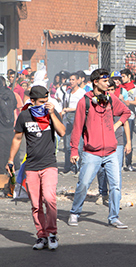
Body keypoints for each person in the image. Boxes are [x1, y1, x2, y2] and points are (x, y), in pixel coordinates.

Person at [68, 69, 131, 229]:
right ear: (95, 82)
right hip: (91, 153)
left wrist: (117, 125)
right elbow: (77, 129)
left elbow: (126, 112)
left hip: (111, 152)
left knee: (115, 186)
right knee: (83, 184)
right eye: (104, 80)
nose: (108, 83)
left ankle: (114, 217)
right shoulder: (84, 102)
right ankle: (75, 212)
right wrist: (74, 150)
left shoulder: (110, 99)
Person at [6, 85, 65, 250]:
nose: (44, 104)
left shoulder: (51, 112)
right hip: (31, 166)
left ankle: (52, 233)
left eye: (46, 101)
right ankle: (41, 236)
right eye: (41, 102)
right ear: (32, 101)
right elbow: (17, 138)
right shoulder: (24, 115)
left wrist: (52, 113)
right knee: (36, 204)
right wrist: (10, 160)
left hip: (49, 164)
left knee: (50, 198)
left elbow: (62, 132)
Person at [96, 79, 132, 205]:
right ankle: (103, 193)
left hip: (118, 140)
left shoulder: (118, 104)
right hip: (102, 140)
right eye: (108, 89)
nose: (110, 92)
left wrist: (129, 142)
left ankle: (116, 198)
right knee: (101, 169)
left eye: (112, 90)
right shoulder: (100, 102)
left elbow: (126, 123)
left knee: (116, 170)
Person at [61, 73, 86, 174]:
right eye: (70, 80)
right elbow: (65, 103)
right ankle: (68, 167)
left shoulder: (81, 92)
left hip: (76, 115)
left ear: (78, 80)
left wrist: (69, 109)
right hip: (68, 117)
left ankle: (78, 167)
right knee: (67, 144)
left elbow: (82, 107)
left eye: (73, 80)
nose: (71, 82)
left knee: (78, 143)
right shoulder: (68, 92)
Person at [0, 77, 17, 175]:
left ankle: (2, 180)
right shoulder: (10, 93)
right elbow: (14, 109)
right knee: (10, 154)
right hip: (10, 128)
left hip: (1, 128)